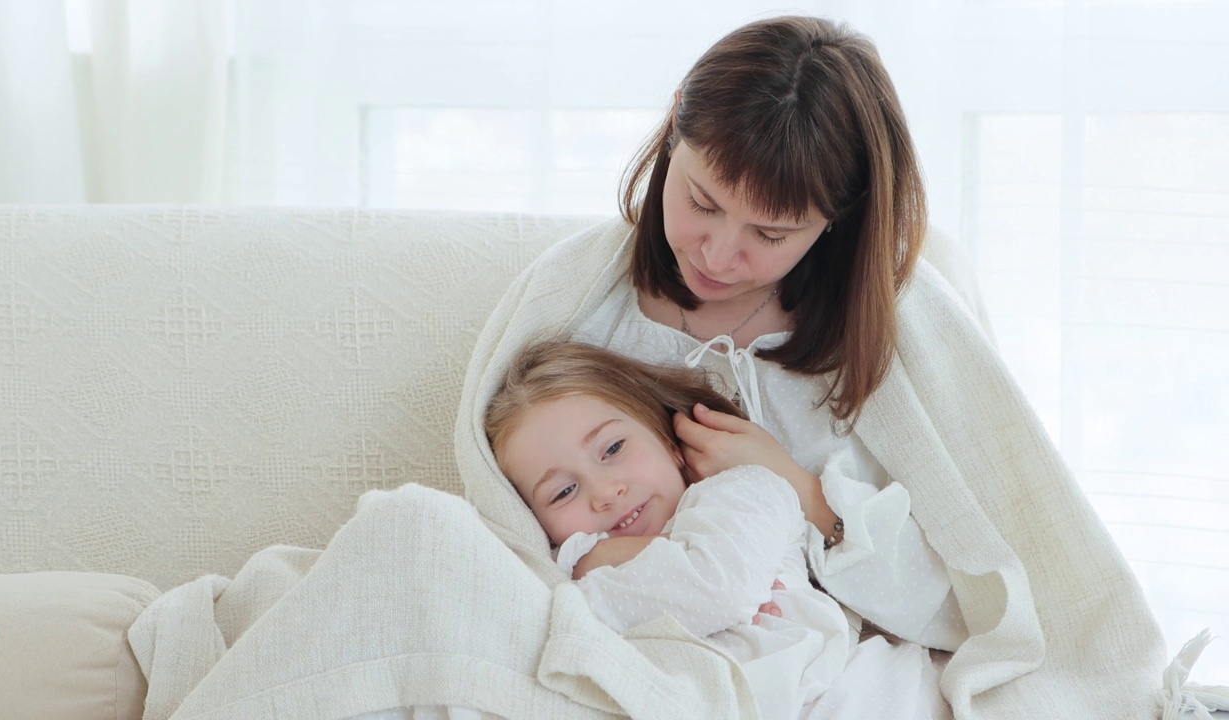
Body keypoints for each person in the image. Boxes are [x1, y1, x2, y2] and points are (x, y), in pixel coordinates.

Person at [458, 13, 1213, 720]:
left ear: (836, 219)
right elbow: (505, 538)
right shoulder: (575, 302)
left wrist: (804, 493)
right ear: (675, 122)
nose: (719, 255)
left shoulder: (897, 325)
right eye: (701, 201)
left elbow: (984, 597)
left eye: (770, 232)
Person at [484, 339, 950, 720]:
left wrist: (593, 563)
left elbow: (717, 588)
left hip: (857, 693)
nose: (605, 492)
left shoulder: (744, 489)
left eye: (613, 448)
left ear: (669, 441)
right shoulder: (558, 572)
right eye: (563, 493)